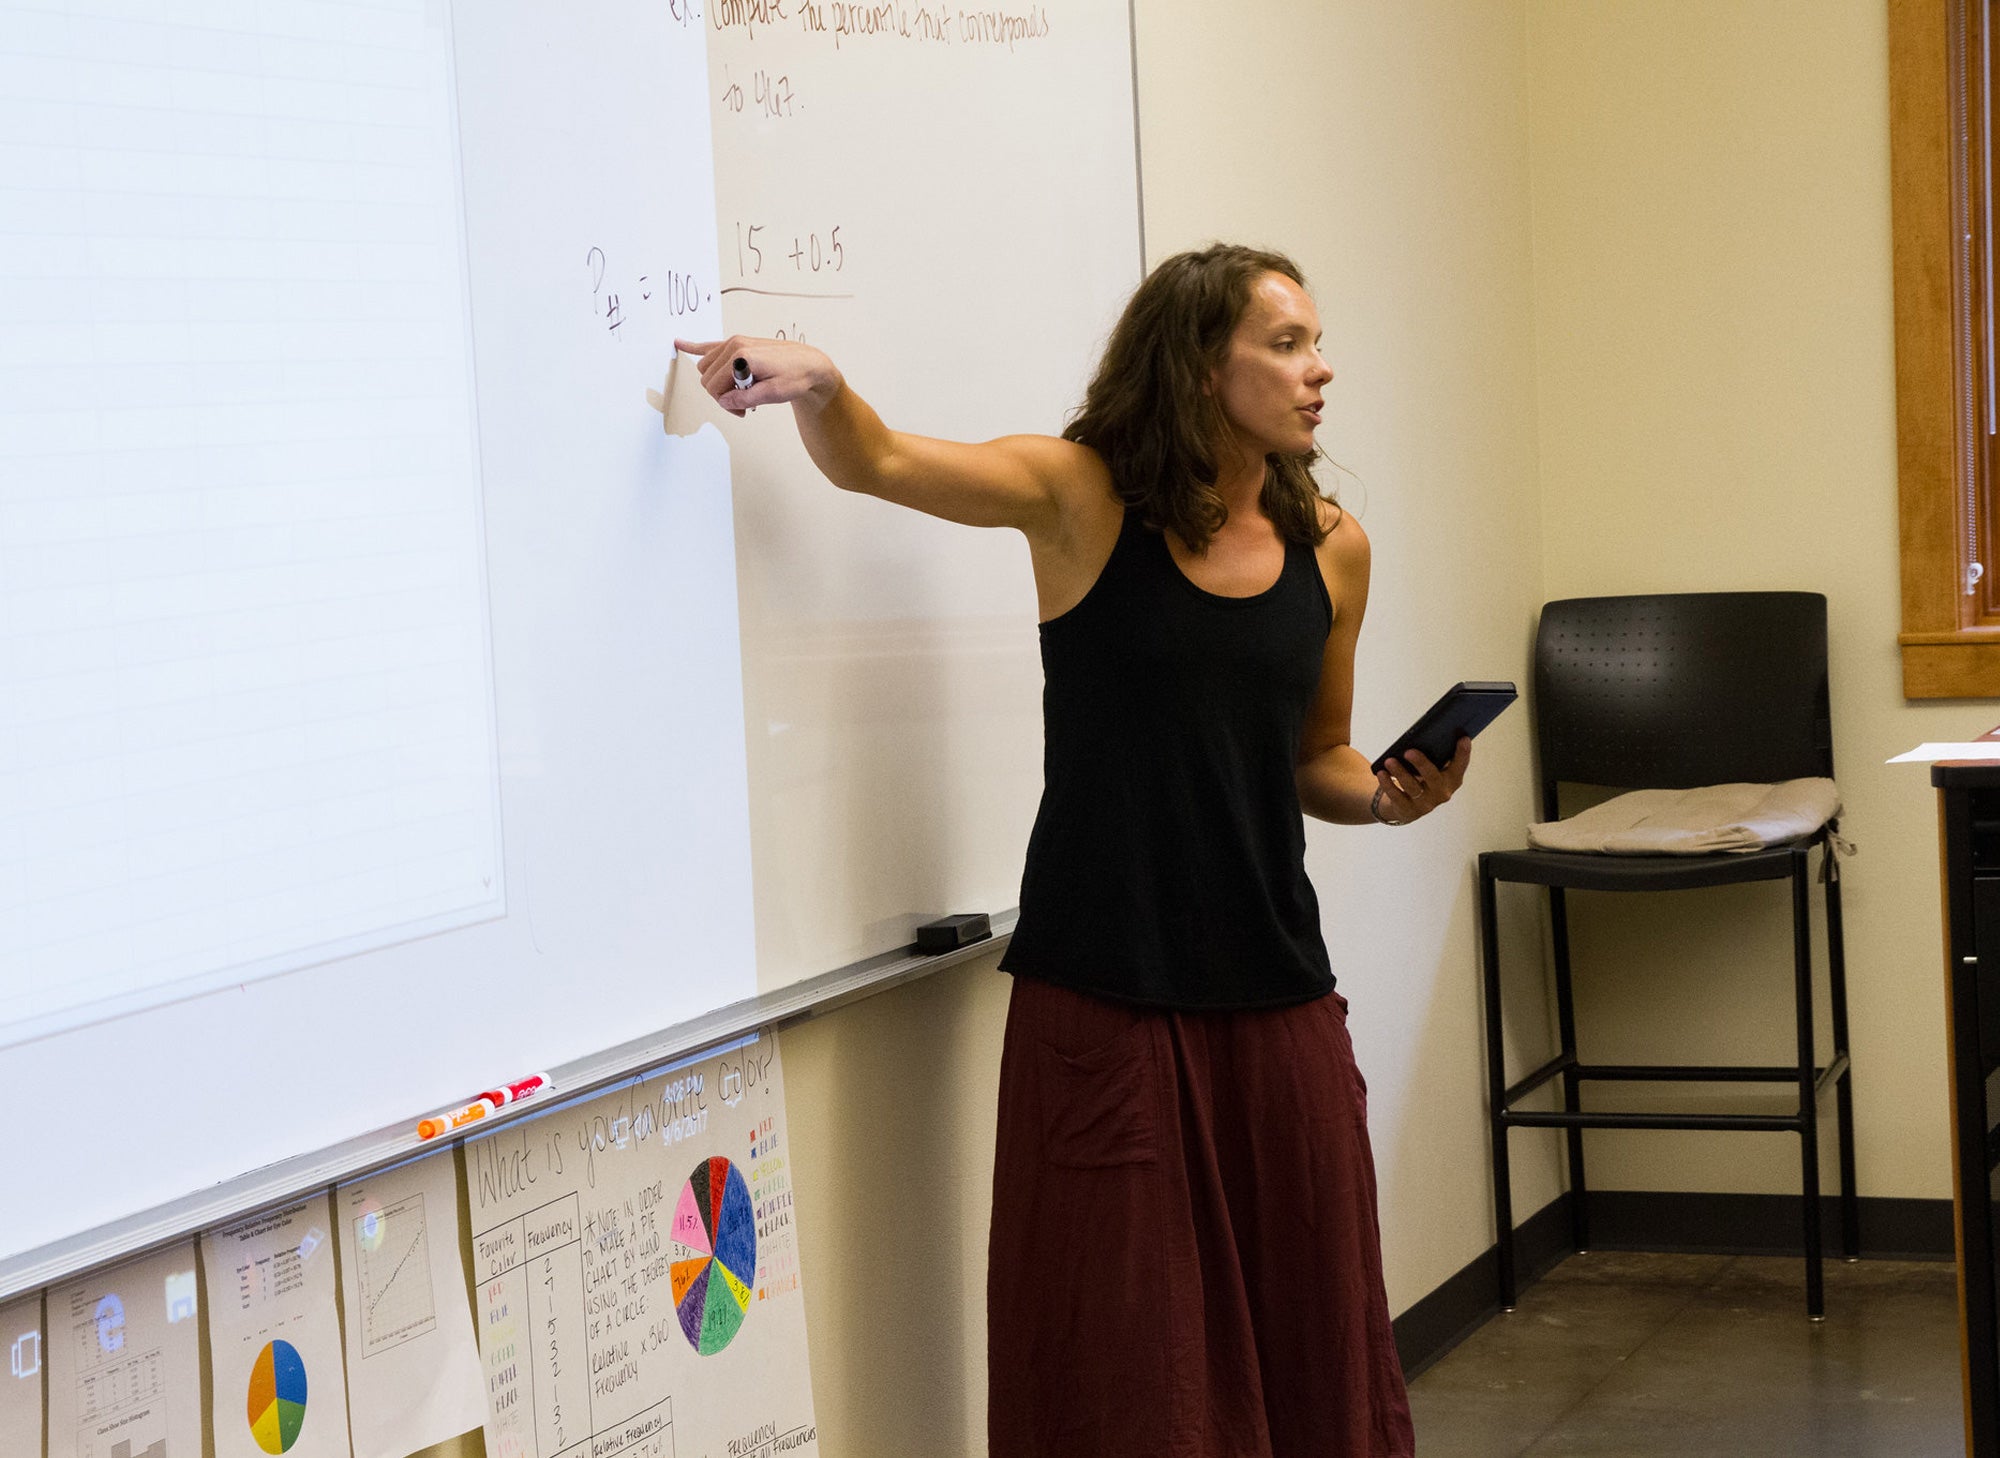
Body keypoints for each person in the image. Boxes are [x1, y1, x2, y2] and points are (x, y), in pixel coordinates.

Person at [678, 243, 1469, 1458]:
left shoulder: (1331, 545)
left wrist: (1385, 800)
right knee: (1124, 1372)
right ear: (1202, 365)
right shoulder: (1079, 497)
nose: (1321, 370)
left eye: (1314, 342)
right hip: (1104, 1001)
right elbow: (884, 463)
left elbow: (1316, 756)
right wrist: (824, 387)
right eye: (1287, 343)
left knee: (1314, 1338)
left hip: (1276, 996)